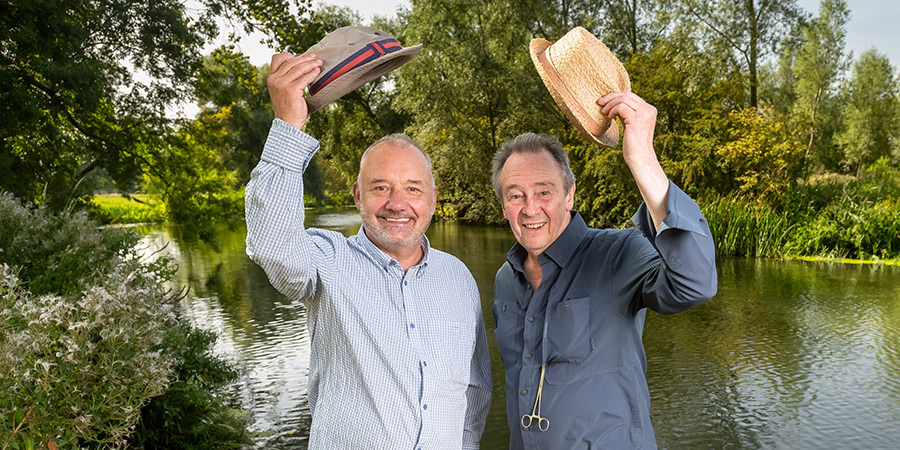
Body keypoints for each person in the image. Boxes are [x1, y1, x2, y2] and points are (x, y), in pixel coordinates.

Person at [245, 52, 492, 449]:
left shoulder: (458, 276)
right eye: (381, 187)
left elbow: (475, 390)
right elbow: (273, 246)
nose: (398, 203)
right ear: (358, 196)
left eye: (413, 188)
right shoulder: (328, 261)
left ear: (432, 198)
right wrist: (288, 126)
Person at [491, 91, 718, 449]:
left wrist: (642, 159)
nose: (530, 208)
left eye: (544, 191)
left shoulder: (617, 254)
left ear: (569, 196)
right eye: (515, 195)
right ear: (504, 207)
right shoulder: (506, 280)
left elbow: (695, 283)